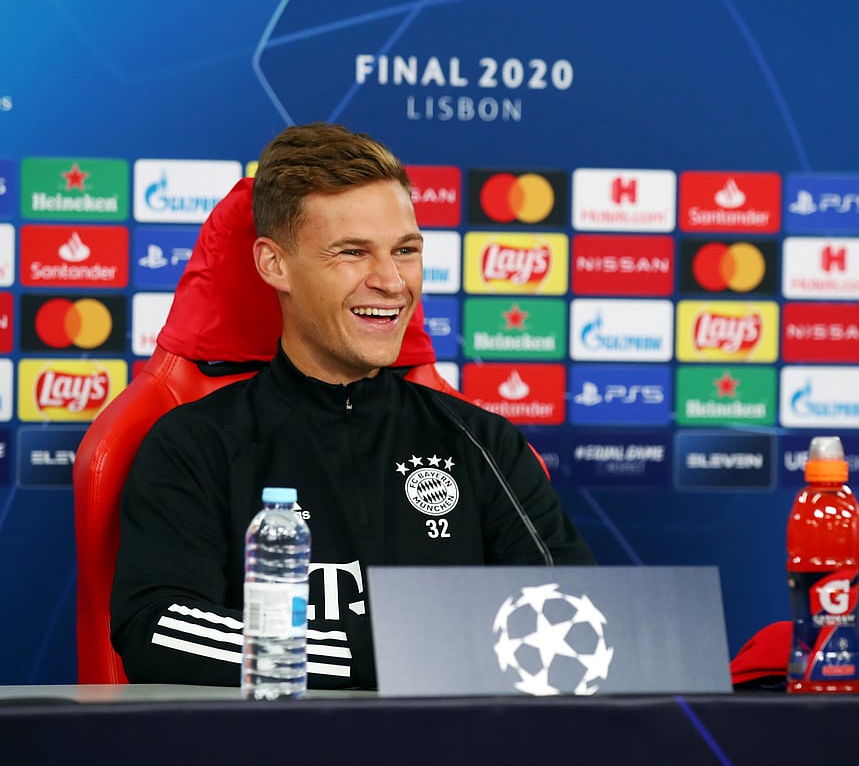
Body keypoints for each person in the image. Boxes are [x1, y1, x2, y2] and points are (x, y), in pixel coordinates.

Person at [110, 122, 595, 689]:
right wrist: (394, 654)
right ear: (274, 265)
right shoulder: (194, 444)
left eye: (406, 251)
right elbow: (158, 631)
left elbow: (576, 616)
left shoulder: (481, 441)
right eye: (353, 252)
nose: (391, 281)